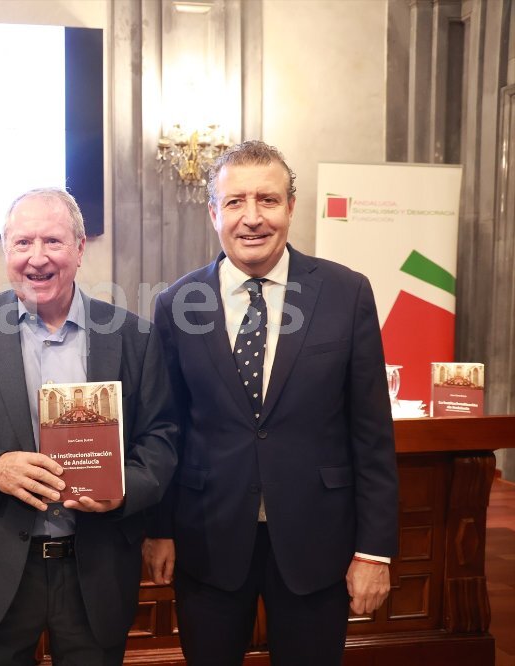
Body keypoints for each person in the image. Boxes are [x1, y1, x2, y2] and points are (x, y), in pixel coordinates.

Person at [143, 140, 399, 665]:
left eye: (268, 200)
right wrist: (159, 529)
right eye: (235, 202)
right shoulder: (177, 303)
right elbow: (166, 429)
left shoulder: (346, 293)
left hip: (317, 542)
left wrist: (374, 551)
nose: (252, 218)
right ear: (214, 212)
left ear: (291, 209)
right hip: (208, 542)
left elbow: (371, 432)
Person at [0, 188, 177, 665]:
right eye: (22, 243)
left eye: (52, 242)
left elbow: (161, 438)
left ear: (79, 248)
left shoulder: (133, 335)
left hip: (95, 569)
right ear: (5, 252)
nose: (37, 259)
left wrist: (123, 489)